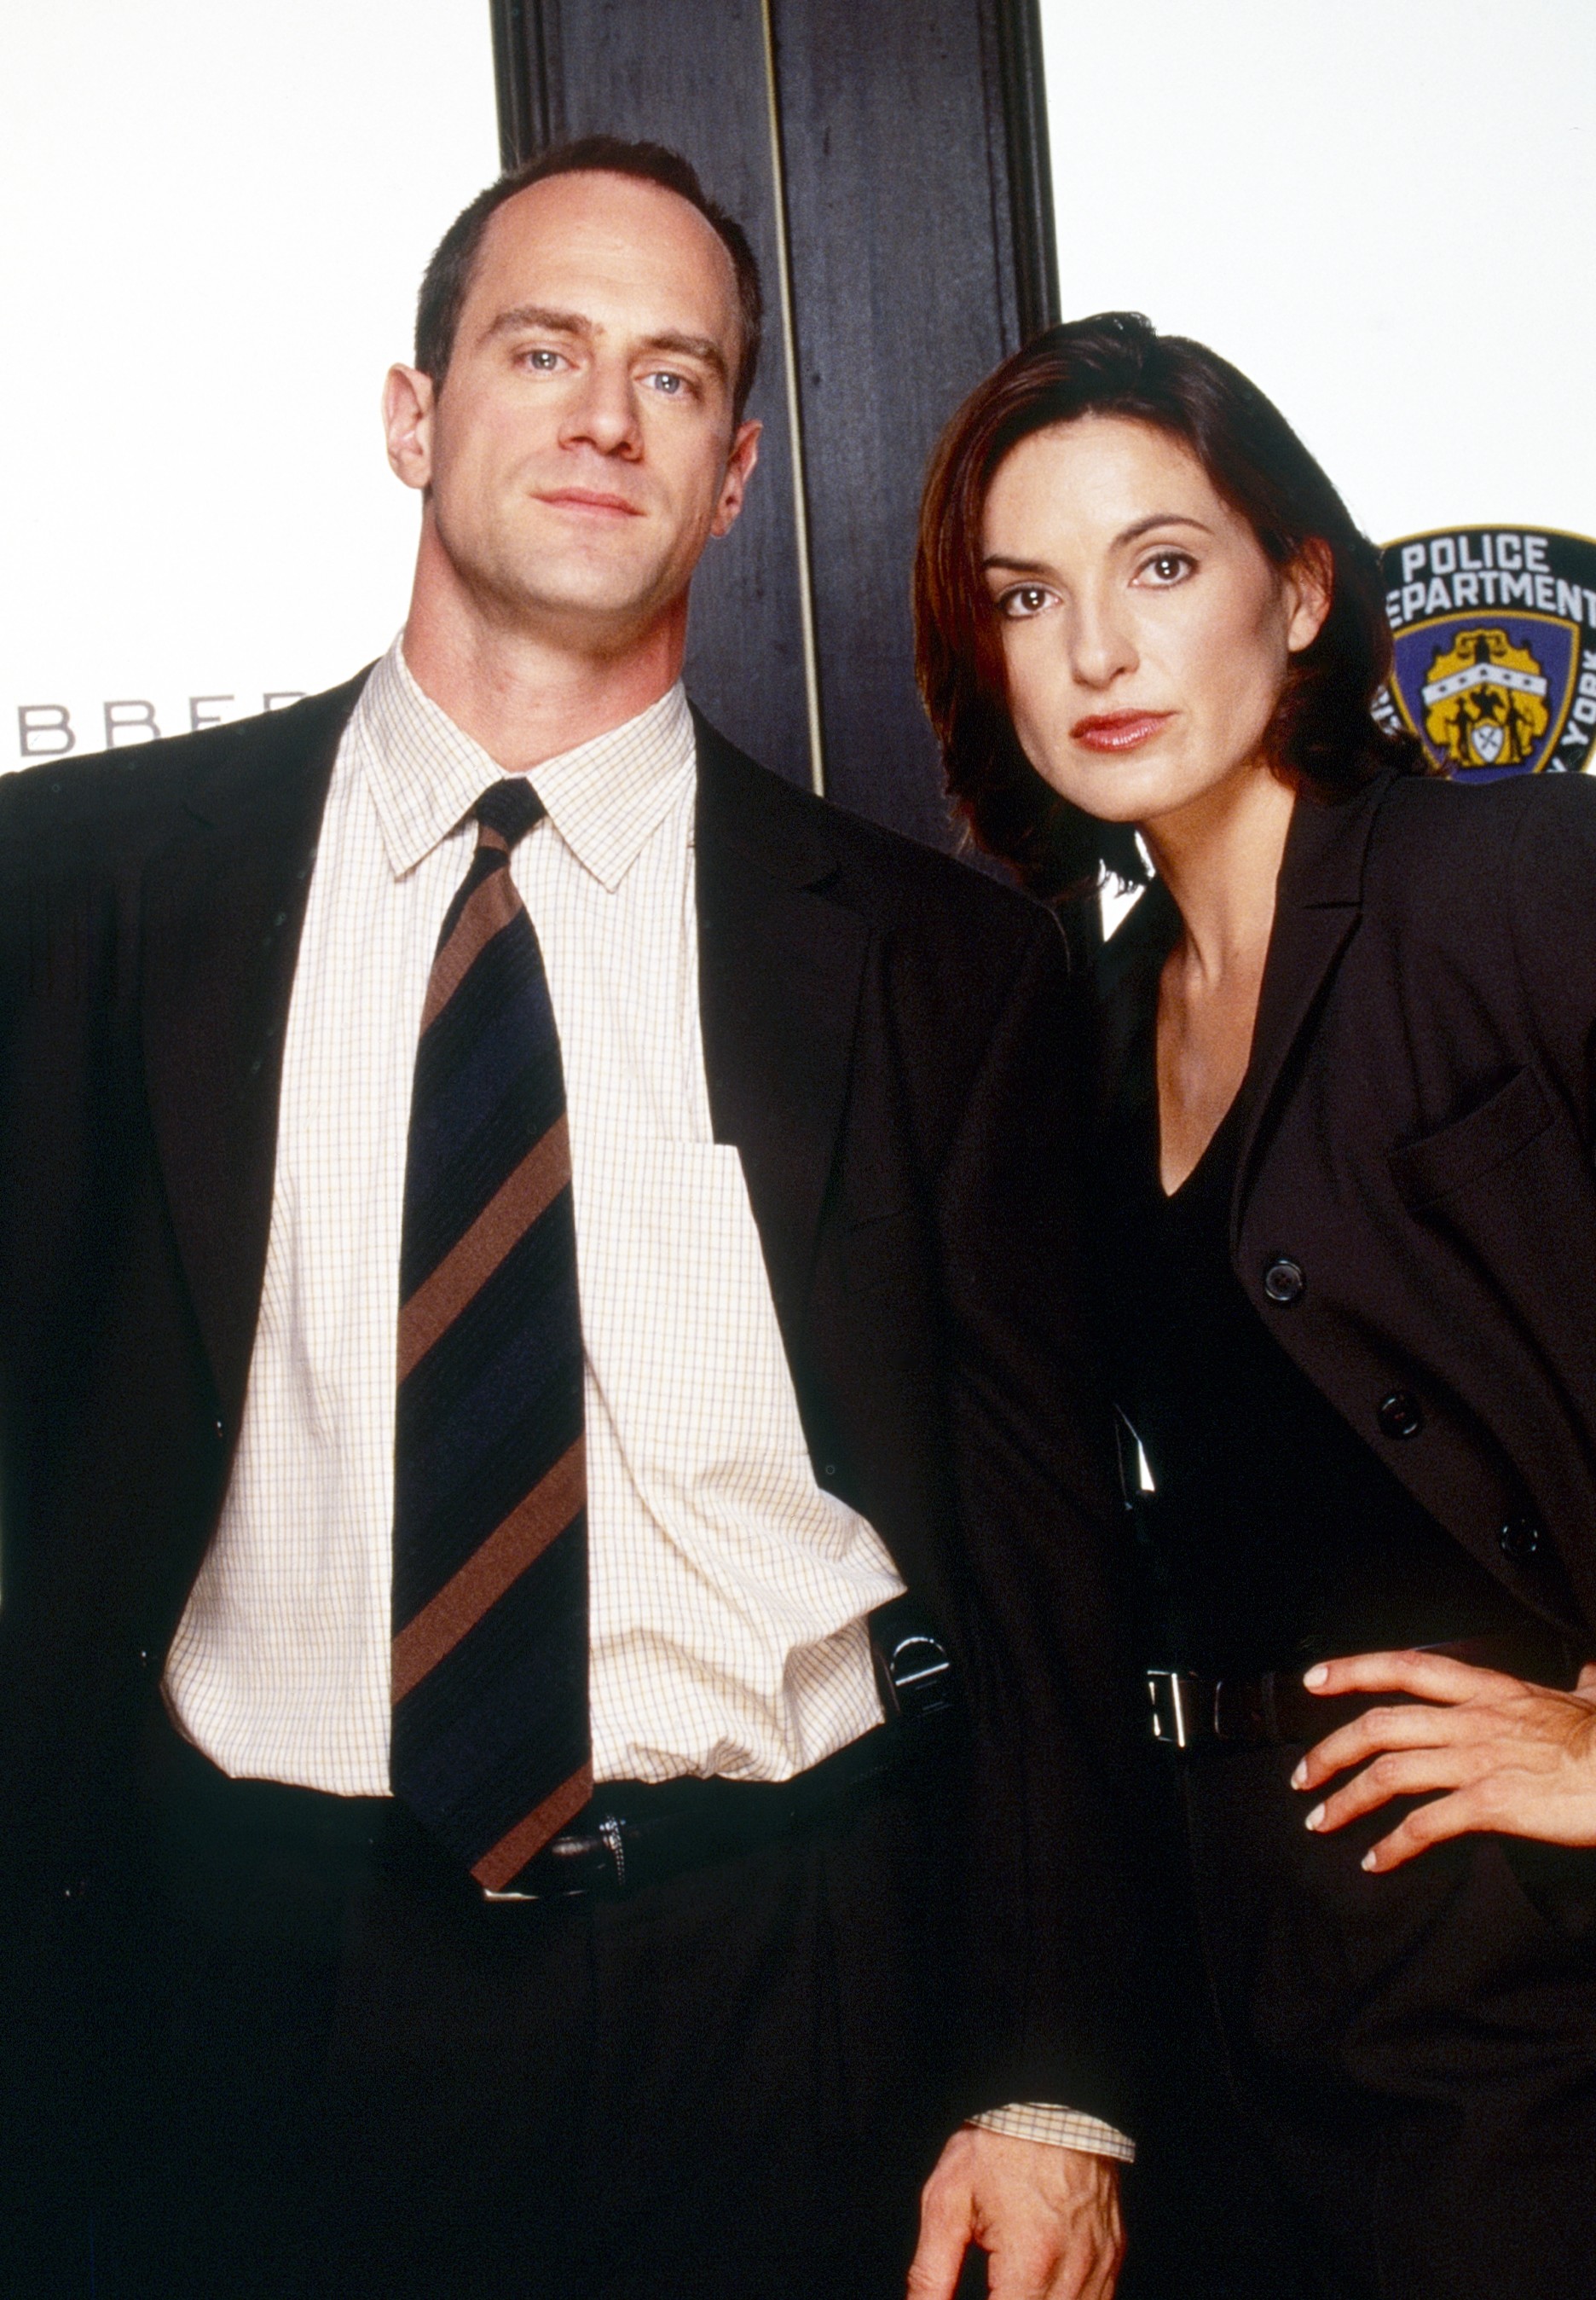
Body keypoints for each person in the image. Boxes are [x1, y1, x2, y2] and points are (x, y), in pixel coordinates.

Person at [0, 144, 1139, 2300]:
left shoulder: (936, 967)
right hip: (229, 1990)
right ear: (414, 412)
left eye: (675, 376)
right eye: (544, 351)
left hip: (783, 1992)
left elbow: (1044, 1563)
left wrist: (1049, 2078)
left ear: (732, 480)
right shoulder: (76, 892)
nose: (608, 415)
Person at [912, 311, 1596, 2300]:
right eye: (1027, 595)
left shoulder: (1523, 879)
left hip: (1529, 1995)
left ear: (1299, 592)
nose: (1096, 652)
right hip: (1235, 1992)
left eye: (1161, 563)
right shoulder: (1082, 1030)